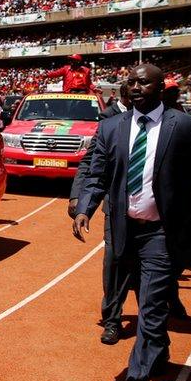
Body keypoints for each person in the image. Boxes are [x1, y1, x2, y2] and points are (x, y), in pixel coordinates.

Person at [72, 64, 191, 381]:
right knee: (145, 300)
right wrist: (85, 208)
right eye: (131, 82)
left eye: (144, 82)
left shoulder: (186, 127)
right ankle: (160, 349)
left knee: (151, 306)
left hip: (163, 234)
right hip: (125, 231)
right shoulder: (110, 128)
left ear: (160, 88)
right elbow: (98, 173)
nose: (135, 87)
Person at [68, 82, 131, 345]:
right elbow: (91, 163)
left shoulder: (167, 121)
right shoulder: (109, 123)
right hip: (117, 207)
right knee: (114, 261)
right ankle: (112, 318)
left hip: (156, 212)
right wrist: (79, 199)